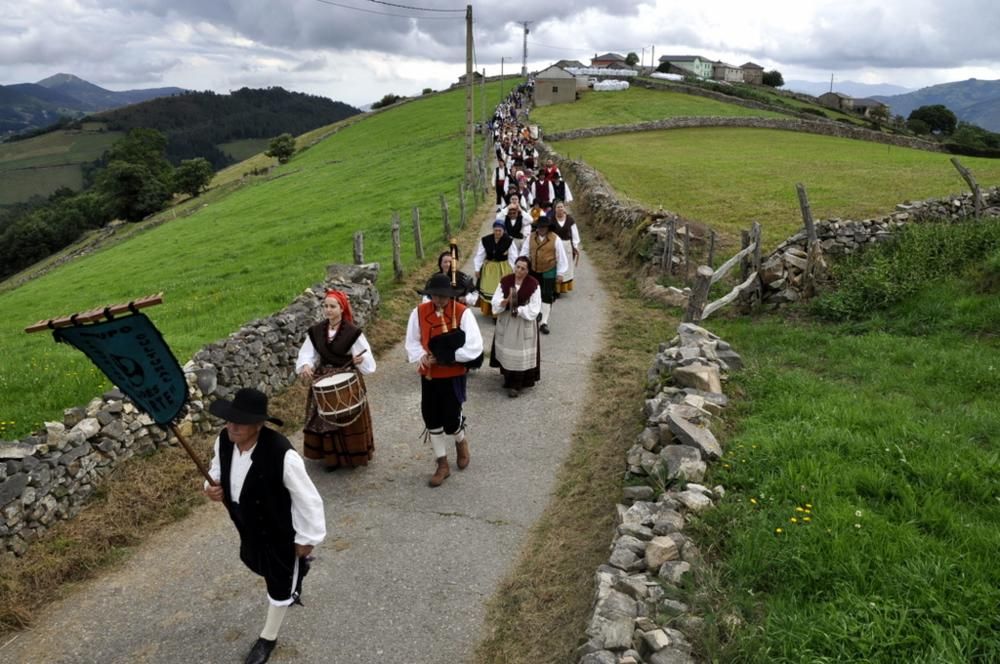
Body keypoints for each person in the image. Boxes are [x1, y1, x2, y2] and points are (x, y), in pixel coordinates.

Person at [204, 388, 325, 664]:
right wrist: (210, 487)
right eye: (229, 419)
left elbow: (308, 500)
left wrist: (307, 539)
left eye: (240, 421)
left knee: (279, 581)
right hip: (246, 524)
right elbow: (216, 471)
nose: (231, 426)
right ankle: (297, 571)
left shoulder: (282, 454)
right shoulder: (224, 440)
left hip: (280, 529)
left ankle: (267, 638)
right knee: (254, 559)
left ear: (259, 424)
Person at [405, 273, 484, 487]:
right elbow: (412, 341)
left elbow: (474, 347)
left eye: (443, 296)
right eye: (435, 296)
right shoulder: (419, 313)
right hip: (429, 375)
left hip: (453, 374)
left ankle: (460, 440)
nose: (439, 301)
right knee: (431, 417)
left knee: (451, 419)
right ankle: (442, 463)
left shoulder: (462, 313)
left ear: (450, 296)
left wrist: (446, 357)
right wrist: (422, 357)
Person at [296, 289, 376, 470]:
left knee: (349, 417)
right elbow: (308, 354)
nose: (328, 310)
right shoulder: (316, 331)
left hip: (347, 379)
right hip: (324, 379)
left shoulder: (352, 332)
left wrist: (359, 360)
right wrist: (307, 365)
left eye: (332, 306)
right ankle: (331, 458)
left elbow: (367, 359)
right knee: (326, 419)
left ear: (342, 308)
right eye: (325, 306)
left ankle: (353, 456)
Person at [490, 256, 541, 397]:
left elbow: (535, 308)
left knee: (520, 353)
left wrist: (518, 310)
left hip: (522, 322)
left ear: (528, 270)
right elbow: (495, 300)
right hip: (507, 321)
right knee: (507, 351)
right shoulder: (505, 281)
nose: (519, 270)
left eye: (523, 268)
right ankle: (508, 378)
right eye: (517, 266)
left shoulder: (533, 284)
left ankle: (516, 384)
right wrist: (503, 303)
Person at [518, 215, 568, 334]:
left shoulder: (555, 239)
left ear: (548, 228)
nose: (541, 229)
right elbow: (524, 252)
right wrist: (522, 267)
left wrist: (560, 273)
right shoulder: (530, 237)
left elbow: (561, 257)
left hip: (549, 270)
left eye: (544, 227)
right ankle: (535, 315)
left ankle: (544, 322)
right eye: (540, 227)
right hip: (533, 269)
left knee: (546, 295)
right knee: (533, 294)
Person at [473, 220, 517, 317]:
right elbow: (480, 255)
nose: (497, 233)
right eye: (495, 230)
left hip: (503, 268)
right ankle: (490, 311)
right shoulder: (485, 240)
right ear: (493, 230)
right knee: (490, 289)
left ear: (503, 231)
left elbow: (513, 256)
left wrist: (514, 270)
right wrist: (477, 268)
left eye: (499, 231)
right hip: (489, 268)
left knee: (501, 290)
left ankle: (499, 313)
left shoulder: (509, 241)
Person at [549, 200, 582, 295]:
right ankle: (555, 289)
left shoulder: (570, 220)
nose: (560, 209)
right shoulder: (551, 220)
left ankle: (562, 288)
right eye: (558, 207)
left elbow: (575, 234)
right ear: (555, 209)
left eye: (561, 207)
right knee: (555, 265)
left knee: (565, 266)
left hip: (567, 245)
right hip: (555, 246)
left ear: (564, 208)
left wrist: (575, 246)